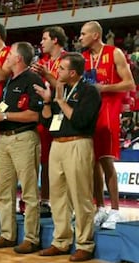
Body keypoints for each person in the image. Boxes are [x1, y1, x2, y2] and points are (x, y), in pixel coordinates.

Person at [35, 52, 101, 262]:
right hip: (57, 145)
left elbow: (81, 120)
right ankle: (61, 240)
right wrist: (47, 102)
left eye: (61, 69)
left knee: (80, 196)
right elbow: (46, 122)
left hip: (78, 143)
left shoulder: (89, 91)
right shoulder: (59, 90)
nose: (57, 72)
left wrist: (61, 102)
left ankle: (85, 244)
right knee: (58, 196)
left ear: (73, 73)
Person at [0, 42, 43, 253]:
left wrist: (4, 116)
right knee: (4, 191)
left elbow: (35, 115)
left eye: (9, 54)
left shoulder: (33, 80)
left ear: (18, 58)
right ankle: (7, 234)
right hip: (5, 138)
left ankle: (31, 237)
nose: (6, 57)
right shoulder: (10, 81)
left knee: (28, 191)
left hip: (23, 138)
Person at [80, 21, 136, 229]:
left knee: (106, 160)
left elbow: (130, 83)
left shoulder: (114, 53)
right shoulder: (83, 58)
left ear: (95, 35)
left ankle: (115, 210)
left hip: (108, 110)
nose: (80, 37)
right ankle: (100, 208)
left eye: (83, 34)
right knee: (93, 162)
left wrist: (103, 88)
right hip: (89, 112)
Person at [31, 26, 68, 215]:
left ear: (55, 40)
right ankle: (44, 199)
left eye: (44, 38)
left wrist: (47, 75)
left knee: (63, 161)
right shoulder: (42, 62)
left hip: (63, 113)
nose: (41, 42)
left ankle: (65, 202)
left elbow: (67, 87)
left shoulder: (68, 60)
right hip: (44, 112)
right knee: (44, 158)